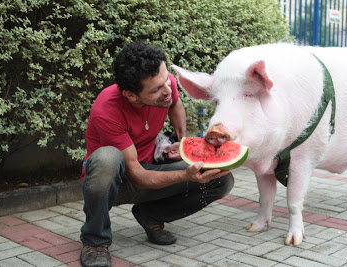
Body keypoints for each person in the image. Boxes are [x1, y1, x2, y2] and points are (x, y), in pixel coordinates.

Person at [79, 41, 234, 267]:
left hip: (150, 167)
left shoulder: (164, 83)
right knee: (106, 158)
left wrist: (183, 145)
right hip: (118, 181)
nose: (167, 90)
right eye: (156, 89)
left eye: (165, 80)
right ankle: (94, 241)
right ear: (131, 95)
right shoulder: (107, 110)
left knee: (221, 179)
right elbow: (137, 176)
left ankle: (151, 215)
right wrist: (185, 175)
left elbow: (174, 104)